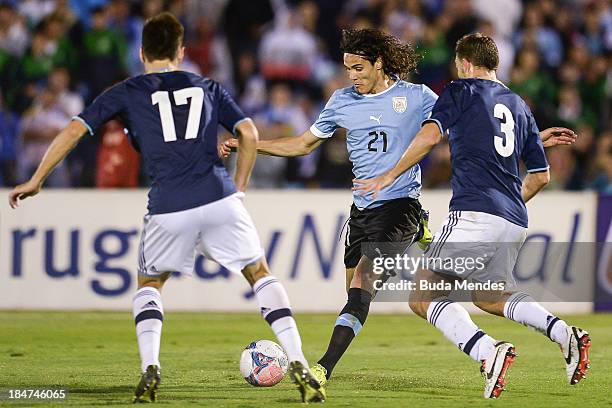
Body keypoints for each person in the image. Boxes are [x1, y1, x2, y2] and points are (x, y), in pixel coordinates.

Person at [8, 12, 325, 404]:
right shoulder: (207, 85)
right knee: (259, 273)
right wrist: (238, 189)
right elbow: (248, 132)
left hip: (169, 203)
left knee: (150, 285)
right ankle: (298, 359)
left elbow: (74, 128)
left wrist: (36, 179)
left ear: (141, 52)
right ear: (181, 51)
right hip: (219, 196)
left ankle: (151, 366)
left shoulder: (125, 91)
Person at [353, 33, 590, 399]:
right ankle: (563, 333)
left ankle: (487, 351)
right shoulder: (518, 105)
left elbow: (431, 137)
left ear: (464, 63)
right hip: (514, 219)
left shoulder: (459, 91)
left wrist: (388, 174)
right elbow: (541, 176)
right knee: (488, 296)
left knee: (422, 295)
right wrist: (513, 192)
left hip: (474, 211)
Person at [222, 28, 437, 384]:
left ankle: (322, 368)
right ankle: (419, 230)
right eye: (347, 69)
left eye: (358, 68)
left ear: (379, 63)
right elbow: (304, 144)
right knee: (355, 292)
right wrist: (252, 144)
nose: (352, 76)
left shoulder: (417, 97)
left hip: (400, 204)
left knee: (363, 284)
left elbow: (457, 129)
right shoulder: (342, 100)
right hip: (362, 211)